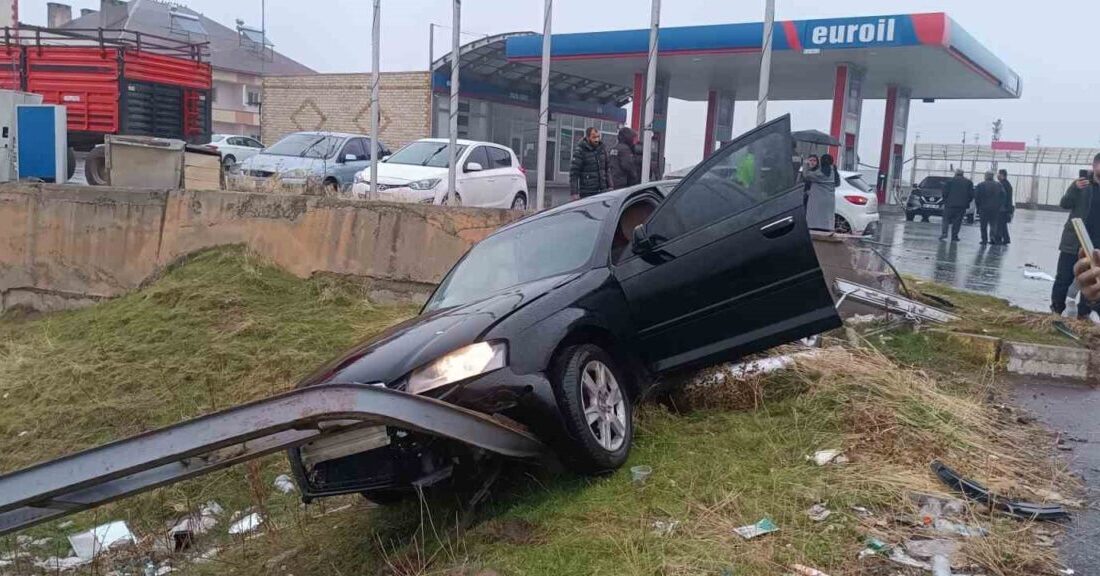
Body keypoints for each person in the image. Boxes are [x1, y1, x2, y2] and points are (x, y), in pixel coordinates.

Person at [1052, 153, 1100, 318]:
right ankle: (1056, 310)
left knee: (1091, 279)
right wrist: (1074, 188)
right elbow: (1064, 203)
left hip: (1096, 245)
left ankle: (1083, 314)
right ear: (1094, 166)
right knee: (1063, 277)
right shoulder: (1081, 185)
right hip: (1074, 241)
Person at [569, 127, 610, 200]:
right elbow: (574, 173)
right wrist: (574, 193)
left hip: (603, 192)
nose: (597, 140)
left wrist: (610, 186)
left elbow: (607, 170)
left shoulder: (602, 150)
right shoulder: (580, 151)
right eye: (594, 137)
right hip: (587, 193)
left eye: (598, 137)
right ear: (588, 137)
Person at [802, 153, 839, 232]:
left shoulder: (820, 173)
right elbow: (837, 183)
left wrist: (805, 164)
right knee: (827, 218)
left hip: (818, 200)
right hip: (830, 199)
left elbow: (806, 175)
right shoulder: (833, 170)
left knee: (816, 219)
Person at [940, 169, 974, 242]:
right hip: (961, 206)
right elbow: (971, 195)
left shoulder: (949, 181)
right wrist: (966, 202)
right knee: (957, 221)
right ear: (963, 174)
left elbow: (944, 193)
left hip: (949, 205)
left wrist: (945, 201)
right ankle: (954, 236)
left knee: (946, 219)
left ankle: (944, 233)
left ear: (955, 173)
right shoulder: (968, 182)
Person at [973, 171, 1004, 245]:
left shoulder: (981, 185)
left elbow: (976, 197)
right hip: (995, 209)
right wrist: (999, 205)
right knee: (993, 224)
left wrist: (978, 206)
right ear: (992, 176)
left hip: (983, 208)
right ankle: (992, 237)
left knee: (983, 225)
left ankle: (984, 240)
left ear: (985, 176)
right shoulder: (999, 185)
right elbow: (1003, 196)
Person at [996, 169, 1014, 244]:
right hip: (1005, 207)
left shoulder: (1002, 184)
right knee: (1003, 224)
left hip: (1002, 207)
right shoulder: (1007, 184)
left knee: (1000, 224)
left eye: (999, 174)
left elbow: (1001, 196)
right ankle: (1006, 239)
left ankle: (999, 239)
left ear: (1002, 175)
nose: (997, 176)